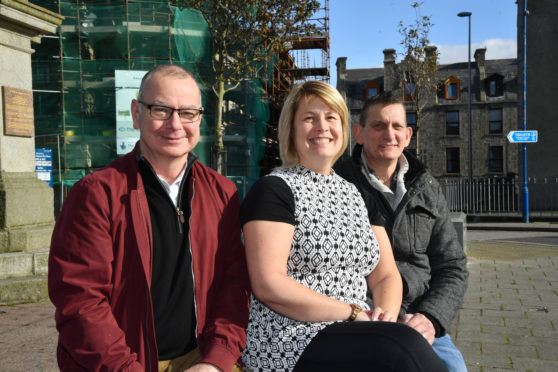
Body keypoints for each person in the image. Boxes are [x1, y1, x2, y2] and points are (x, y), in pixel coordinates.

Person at [48, 65, 250, 372]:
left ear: (199, 118)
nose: (175, 124)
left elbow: (235, 285)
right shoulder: (96, 194)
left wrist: (216, 360)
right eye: (160, 109)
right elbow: (80, 301)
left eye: (187, 113)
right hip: (120, 363)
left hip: (202, 357)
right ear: (136, 113)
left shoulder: (222, 193)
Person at [240, 81, 449, 372]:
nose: (322, 127)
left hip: (356, 328)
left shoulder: (356, 193)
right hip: (292, 336)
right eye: (309, 118)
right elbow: (268, 284)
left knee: (404, 346)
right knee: (401, 352)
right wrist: (352, 313)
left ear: (343, 128)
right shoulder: (274, 190)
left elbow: (386, 275)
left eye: (331, 117)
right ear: (291, 129)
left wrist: (384, 319)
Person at [334, 92, 469, 372]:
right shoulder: (337, 185)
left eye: (397, 127)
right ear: (359, 133)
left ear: (408, 135)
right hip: (363, 317)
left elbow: (452, 266)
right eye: (379, 126)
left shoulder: (427, 188)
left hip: (418, 317)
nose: (389, 134)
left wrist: (431, 318)